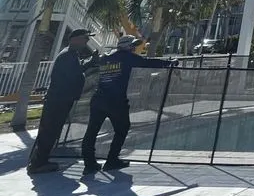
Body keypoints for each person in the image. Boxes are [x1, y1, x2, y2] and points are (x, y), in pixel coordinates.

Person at [80, 35, 177, 174]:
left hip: (98, 99)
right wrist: (169, 63)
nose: (134, 48)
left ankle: (89, 164)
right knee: (122, 129)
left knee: (91, 132)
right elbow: (147, 63)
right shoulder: (127, 57)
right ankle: (112, 160)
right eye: (132, 46)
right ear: (126, 46)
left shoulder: (106, 56)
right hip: (116, 101)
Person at [26, 29, 100, 175]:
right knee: (50, 130)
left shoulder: (71, 54)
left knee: (51, 130)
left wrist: (90, 61)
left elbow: (77, 69)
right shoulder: (67, 55)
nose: (87, 42)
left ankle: (40, 161)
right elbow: (75, 73)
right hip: (58, 100)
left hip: (61, 99)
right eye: (85, 38)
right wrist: (91, 62)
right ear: (75, 39)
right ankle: (38, 163)